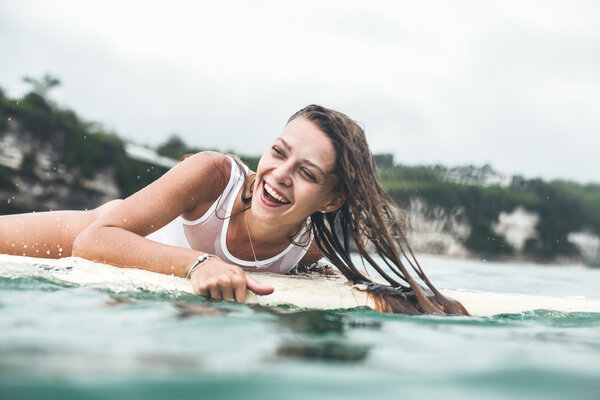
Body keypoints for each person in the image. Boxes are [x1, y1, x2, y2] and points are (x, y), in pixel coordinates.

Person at [0, 105, 468, 315]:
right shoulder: (212, 176)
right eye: (278, 152)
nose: (280, 174)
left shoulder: (311, 248)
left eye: (306, 173)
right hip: (84, 231)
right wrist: (200, 264)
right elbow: (92, 241)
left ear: (333, 200)